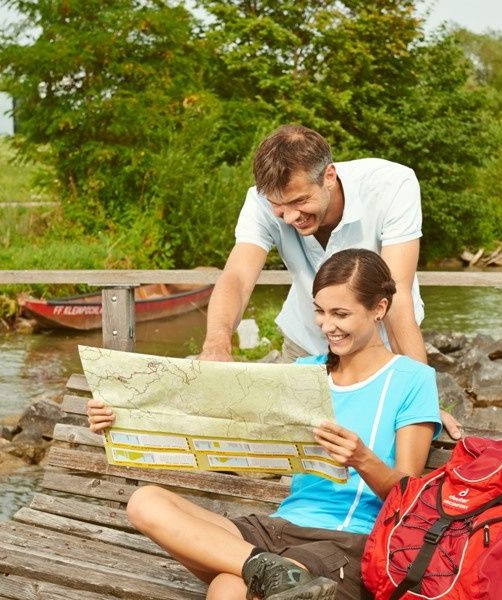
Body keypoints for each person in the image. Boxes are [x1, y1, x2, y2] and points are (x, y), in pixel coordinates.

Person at [87, 249, 443, 599]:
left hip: (346, 540)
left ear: (379, 308)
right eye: (319, 311)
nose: (326, 326)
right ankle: (268, 569)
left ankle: (273, 573)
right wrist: (120, 417)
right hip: (277, 529)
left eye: (340, 314)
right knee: (144, 501)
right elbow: (210, 423)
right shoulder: (305, 372)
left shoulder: (412, 380)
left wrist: (362, 459)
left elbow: (410, 499)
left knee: (227, 587)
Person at [197, 124, 460, 438]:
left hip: (378, 349)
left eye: (300, 201)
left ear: (329, 177)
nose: (290, 217)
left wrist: (422, 399)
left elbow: (397, 296)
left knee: (378, 445)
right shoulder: (259, 201)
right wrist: (216, 344)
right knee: (292, 449)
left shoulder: (392, 185)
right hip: (305, 346)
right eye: (278, 206)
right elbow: (237, 277)